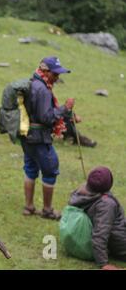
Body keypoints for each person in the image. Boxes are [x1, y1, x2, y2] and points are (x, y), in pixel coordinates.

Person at [21, 57, 75, 220]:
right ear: (45, 71)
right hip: (39, 139)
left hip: (27, 136)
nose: (58, 77)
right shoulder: (43, 89)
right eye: (55, 73)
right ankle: (47, 210)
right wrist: (65, 108)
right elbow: (46, 117)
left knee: (30, 168)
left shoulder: (33, 82)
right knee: (50, 170)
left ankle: (29, 207)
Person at [69, 167, 126, 270]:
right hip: (121, 244)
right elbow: (100, 234)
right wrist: (104, 264)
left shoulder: (81, 193)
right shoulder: (106, 205)